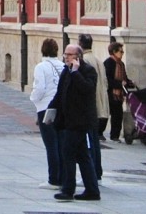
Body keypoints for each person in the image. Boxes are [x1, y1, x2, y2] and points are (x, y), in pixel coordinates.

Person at [47, 44, 100, 202]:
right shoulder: (66, 70)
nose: (66, 57)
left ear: (78, 57)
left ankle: (68, 190)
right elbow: (60, 93)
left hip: (80, 121)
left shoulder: (87, 71)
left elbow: (88, 89)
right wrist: (50, 111)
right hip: (68, 120)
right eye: (65, 54)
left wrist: (76, 73)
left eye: (69, 55)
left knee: (68, 153)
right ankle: (92, 190)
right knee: (82, 155)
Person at [29, 38, 65, 190]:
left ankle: (53, 179)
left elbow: (40, 89)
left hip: (45, 108)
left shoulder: (41, 67)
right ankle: (63, 177)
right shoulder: (63, 66)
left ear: (43, 50)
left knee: (51, 145)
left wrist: (33, 100)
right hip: (61, 109)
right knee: (61, 145)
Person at [78, 33, 108, 179]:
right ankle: (97, 170)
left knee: (90, 141)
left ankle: (94, 171)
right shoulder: (97, 60)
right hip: (99, 105)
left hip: (90, 106)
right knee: (94, 139)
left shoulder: (84, 61)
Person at [104, 41, 135, 142]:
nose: (122, 54)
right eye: (121, 52)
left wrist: (130, 83)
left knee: (118, 115)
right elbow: (107, 79)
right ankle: (100, 133)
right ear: (114, 52)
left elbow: (124, 78)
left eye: (123, 52)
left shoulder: (121, 64)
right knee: (106, 115)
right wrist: (120, 84)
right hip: (110, 93)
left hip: (119, 94)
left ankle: (115, 136)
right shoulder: (108, 63)